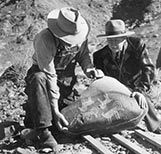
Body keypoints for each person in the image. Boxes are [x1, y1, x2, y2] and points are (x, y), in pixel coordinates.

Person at [23, 7, 103, 150]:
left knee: (68, 119)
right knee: (38, 79)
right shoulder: (45, 39)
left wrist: (89, 69)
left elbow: (83, 54)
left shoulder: (81, 33)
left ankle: (48, 119)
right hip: (44, 80)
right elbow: (49, 75)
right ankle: (43, 132)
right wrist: (54, 109)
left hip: (66, 80)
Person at [93, 19, 161, 134]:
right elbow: (102, 82)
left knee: (142, 101)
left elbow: (148, 69)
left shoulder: (137, 46)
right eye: (110, 40)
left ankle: (156, 127)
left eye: (117, 40)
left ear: (124, 38)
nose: (113, 44)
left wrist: (140, 90)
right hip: (114, 90)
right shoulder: (99, 56)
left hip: (135, 87)